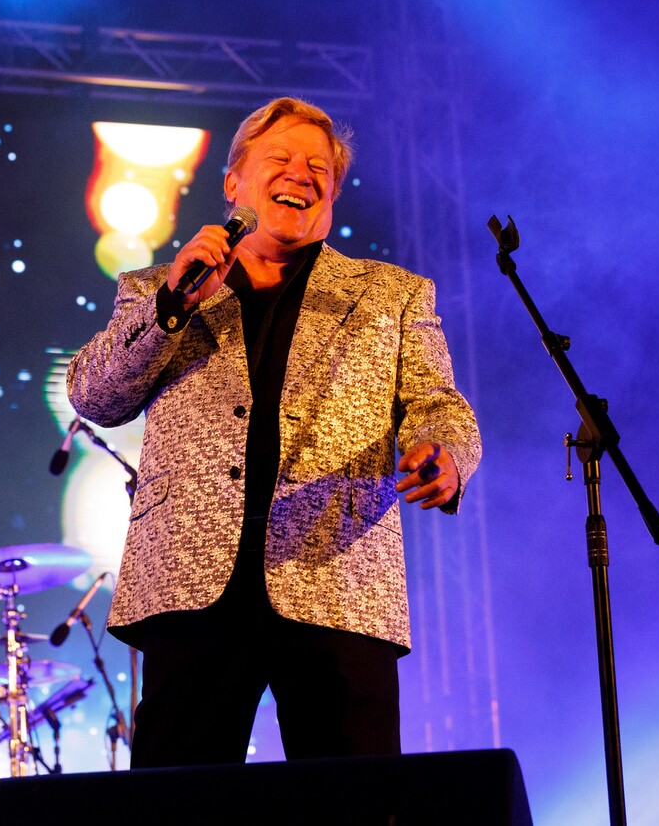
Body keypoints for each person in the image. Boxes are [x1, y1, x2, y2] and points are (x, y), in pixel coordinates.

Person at [66, 95, 482, 767]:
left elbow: (441, 407)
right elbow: (94, 395)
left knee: (356, 805)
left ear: (334, 195)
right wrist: (172, 305)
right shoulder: (157, 288)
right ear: (233, 182)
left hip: (338, 579)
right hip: (192, 583)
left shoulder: (391, 293)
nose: (302, 173)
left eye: (320, 167)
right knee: (175, 805)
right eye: (281, 158)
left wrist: (445, 454)